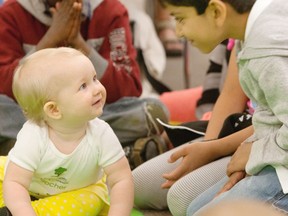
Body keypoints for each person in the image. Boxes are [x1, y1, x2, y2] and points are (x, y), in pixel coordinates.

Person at [158, 0, 288, 215]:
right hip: (277, 154)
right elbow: (271, 113)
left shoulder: (266, 50)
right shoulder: (249, 33)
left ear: (217, 11)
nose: (178, 32)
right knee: (193, 208)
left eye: (180, 19)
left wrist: (255, 155)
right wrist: (252, 160)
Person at [0, 0, 169, 154]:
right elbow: (4, 86)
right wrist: (50, 40)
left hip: (92, 114)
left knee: (151, 110)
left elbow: (129, 88)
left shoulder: (110, 10)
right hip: (35, 115)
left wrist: (79, 44)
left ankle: (32, 149)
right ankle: (120, 152)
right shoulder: (12, 12)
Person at [1, 47, 133, 215]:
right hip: (27, 188)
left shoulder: (101, 133)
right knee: (6, 177)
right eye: (83, 86)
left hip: (78, 192)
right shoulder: (34, 135)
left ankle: (14, 211)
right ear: (54, 110)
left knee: (92, 200)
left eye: (94, 79)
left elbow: (121, 179)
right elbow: (15, 183)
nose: (97, 88)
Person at [133, 44, 252, 215]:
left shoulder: (268, 36)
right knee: (138, 184)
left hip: (265, 144)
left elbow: (273, 124)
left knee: (181, 200)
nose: (179, 33)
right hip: (233, 130)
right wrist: (206, 149)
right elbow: (228, 95)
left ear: (218, 15)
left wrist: (214, 148)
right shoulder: (240, 38)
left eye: (181, 19)